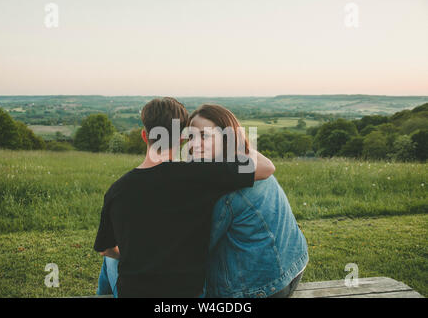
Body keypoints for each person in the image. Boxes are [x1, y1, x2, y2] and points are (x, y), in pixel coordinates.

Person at [94, 97, 275, 297]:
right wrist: (234, 137)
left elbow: (105, 249)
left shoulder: (117, 191)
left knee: (109, 261)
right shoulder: (202, 175)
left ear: (144, 136)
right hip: (187, 295)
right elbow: (267, 167)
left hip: (135, 292)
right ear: (182, 138)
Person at [187, 104, 308, 298]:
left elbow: (198, 248)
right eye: (191, 136)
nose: (194, 144)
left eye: (205, 136)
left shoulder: (225, 188)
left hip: (262, 289)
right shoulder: (247, 165)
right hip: (294, 265)